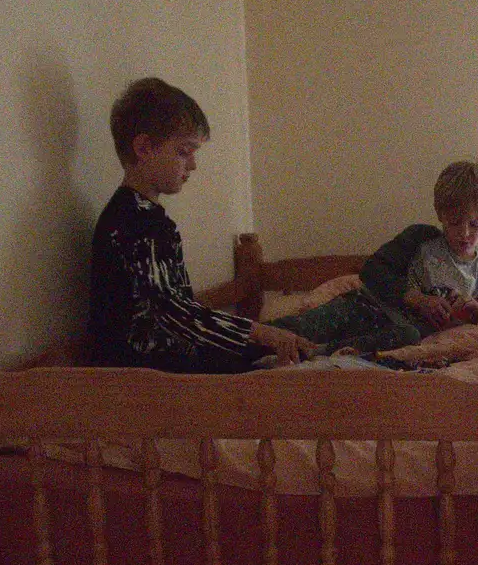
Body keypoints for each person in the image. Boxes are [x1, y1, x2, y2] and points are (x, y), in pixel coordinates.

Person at [88, 78, 314, 371]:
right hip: (146, 377)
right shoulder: (135, 223)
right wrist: (260, 333)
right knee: (274, 359)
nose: (192, 165)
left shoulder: (146, 217)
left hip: (164, 362)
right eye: (183, 151)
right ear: (144, 148)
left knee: (282, 350)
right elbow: (172, 314)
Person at [271, 161, 478, 356]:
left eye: (474, 224)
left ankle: (318, 353)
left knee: (408, 335)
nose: (464, 233)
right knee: (294, 329)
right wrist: (418, 299)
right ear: (440, 214)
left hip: (399, 333)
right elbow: (372, 271)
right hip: (365, 306)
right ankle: (243, 339)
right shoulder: (420, 239)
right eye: (454, 222)